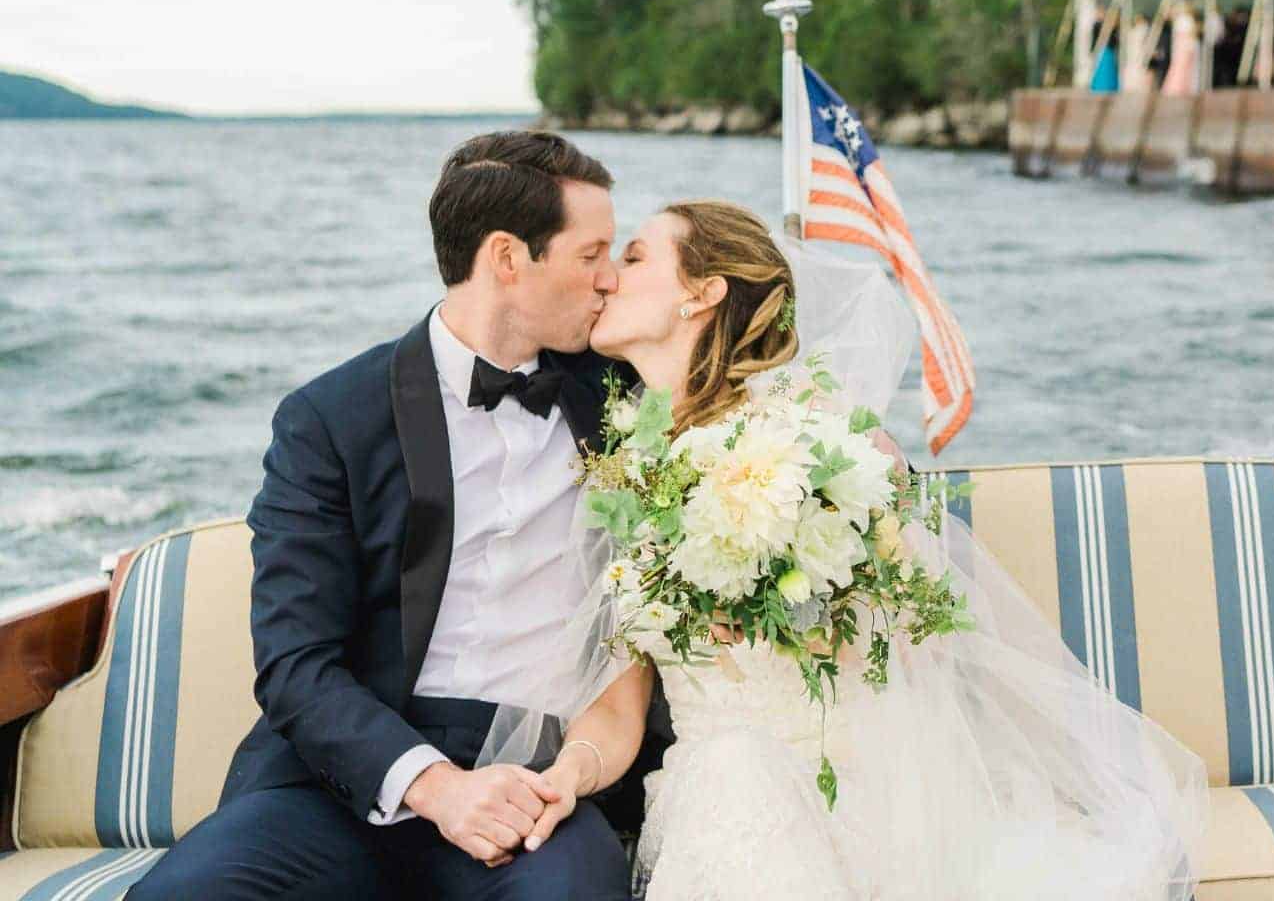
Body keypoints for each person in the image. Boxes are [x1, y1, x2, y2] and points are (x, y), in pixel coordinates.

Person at [540, 200, 1210, 900]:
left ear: (703, 294)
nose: (608, 278)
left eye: (635, 256)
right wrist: (565, 775)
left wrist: (783, 604)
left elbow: (914, 647)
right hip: (715, 783)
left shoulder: (814, 442)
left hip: (852, 789)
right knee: (731, 771)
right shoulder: (629, 475)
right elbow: (619, 707)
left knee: (740, 773)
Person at [133, 132, 636, 900]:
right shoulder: (330, 419)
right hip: (345, 783)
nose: (610, 281)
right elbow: (296, 665)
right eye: (591, 254)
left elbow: (750, 403)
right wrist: (436, 788)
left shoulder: (625, 396)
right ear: (508, 258)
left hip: (537, 779)